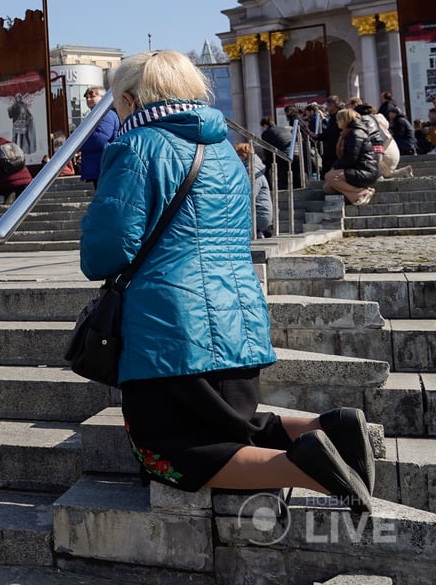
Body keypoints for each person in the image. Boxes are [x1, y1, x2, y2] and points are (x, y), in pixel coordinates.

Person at [80, 49, 373, 513]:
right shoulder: (224, 151)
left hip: (169, 327)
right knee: (232, 426)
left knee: (166, 450)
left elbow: (106, 251)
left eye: (116, 104)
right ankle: (331, 427)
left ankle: (305, 468)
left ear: (131, 99)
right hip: (236, 316)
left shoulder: (136, 146)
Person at [321, 108, 380, 205]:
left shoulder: (356, 133)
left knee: (330, 176)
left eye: (338, 119)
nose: (336, 122)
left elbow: (351, 157)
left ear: (345, 120)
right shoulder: (347, 133)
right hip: (356, 170)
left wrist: (335, 167)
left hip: (365, 171)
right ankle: (357, 192)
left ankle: (362, 193)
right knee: (327, 188)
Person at [80, 86, 120, 189]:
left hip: (103, 163)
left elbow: (99, 138)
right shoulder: (95, 115)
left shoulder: (105, 114)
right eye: (86, 97)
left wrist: (78, 145)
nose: (88, 99)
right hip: (98, 164)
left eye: (92, 96)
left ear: (103, 97)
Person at [234, 143, 273, 238]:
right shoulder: (251, 169)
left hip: (259, 216)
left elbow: (249, 195)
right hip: (259, 214)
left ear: (243, 157)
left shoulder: (253, 171)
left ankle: (257, 232)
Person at [0, 137, 31, 206]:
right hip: (27, 179)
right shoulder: (14, 148)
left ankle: (9, 199)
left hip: (9, 182)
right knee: (17, 187)